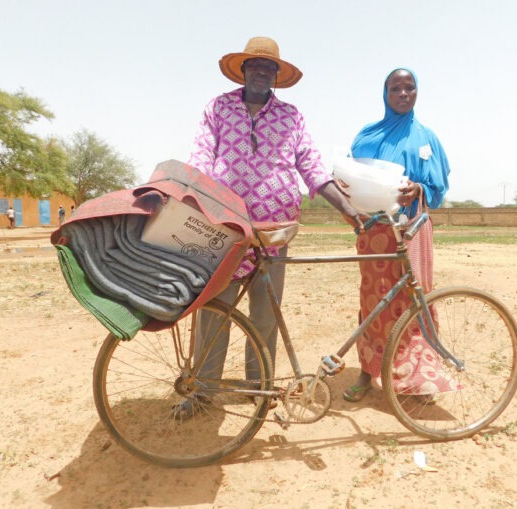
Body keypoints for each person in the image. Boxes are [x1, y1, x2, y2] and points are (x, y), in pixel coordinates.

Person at [179, 36, 364, 419]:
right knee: (215, 308)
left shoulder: (291, 117)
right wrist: (192, 196)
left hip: (274, 233)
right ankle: (203, 390)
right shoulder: (218, 108)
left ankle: (257, 388)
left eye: (269, 67)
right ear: (243, 70)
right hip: (226, 228)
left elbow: (311, 167)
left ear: (276, 76)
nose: (261, 72)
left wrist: (348, 209)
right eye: (255, 65)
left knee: (266, 312)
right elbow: (199, 157)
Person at [343, 67, 459, 402]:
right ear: (385, 93)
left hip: (413, 229)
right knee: (374, 299)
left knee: (415, 298)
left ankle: (418, 377)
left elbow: (438, 189)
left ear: (417, 92)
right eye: (396, 88)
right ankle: (368, 372)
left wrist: (418, 187)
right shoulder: (367, 136)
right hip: (375, 230)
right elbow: (352, 180)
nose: (403, 93)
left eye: (409, 88)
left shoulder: (427, 138)